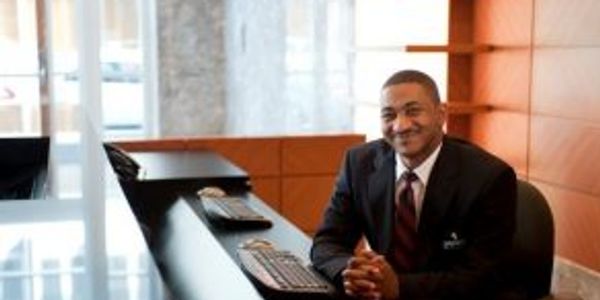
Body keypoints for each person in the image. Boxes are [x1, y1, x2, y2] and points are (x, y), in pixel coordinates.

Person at [310, 70, 518, 299]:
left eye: (413, 111)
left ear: (441, 115)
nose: (400, 126)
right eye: (389, 115)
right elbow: (327, 242)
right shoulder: (359, 164)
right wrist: (351, 274)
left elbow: (484, 277)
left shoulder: (489, 178)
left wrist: (399, 287)